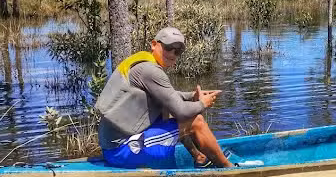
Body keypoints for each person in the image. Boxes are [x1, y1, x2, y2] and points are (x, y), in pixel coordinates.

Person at [95, 27, 234, 168]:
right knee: (195, 121)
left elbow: (168, 96)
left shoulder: (143, 63)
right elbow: (182, 111)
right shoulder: (150, 71)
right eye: (169, 47)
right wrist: (202, 103)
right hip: (122, 150)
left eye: (178, 51)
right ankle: (228, 169)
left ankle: (200, 158)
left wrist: (192, 96)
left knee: (170, 114)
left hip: (116, 145)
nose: (173, 54)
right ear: (154, 44)